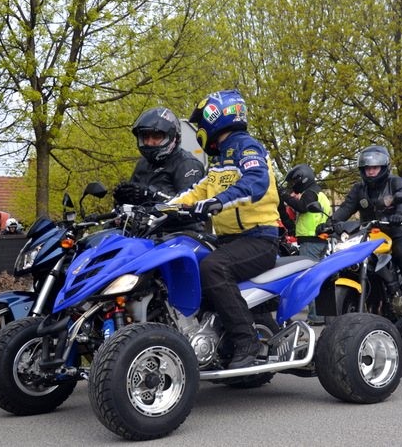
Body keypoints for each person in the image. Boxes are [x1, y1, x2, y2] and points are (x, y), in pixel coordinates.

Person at [168, 89, 281, 369]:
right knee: (187, 261)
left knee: (213, 268)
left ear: (214, 118)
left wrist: (218, 202)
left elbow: (256, 181)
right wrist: (159, 210)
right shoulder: (219, 162)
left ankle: (247, 341)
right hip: (229, 240)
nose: (198, 130)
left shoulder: (247, 147)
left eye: (200, 123)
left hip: (259, 238)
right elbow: (195, 193)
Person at [324, 145, 402, 330]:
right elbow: (346, 208)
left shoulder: (396, 183)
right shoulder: (359, 188)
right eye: (367, 168)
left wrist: (400, 215)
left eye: (375, 168)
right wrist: (330, 223)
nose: (370, 171)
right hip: (369, 236)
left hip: (396, 233)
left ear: (384, 167)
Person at [113, 106, 206, 232]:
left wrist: (150, 195)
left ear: (172, 137)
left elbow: (190, 208)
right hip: (146, 234)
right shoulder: (143, 163)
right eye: (145, 137)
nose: (149, 142)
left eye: (156, 137)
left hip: (182, 234)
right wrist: (121, 201)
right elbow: (134, 207)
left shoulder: (187, 164)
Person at [282, 163, 331, 325]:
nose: (293, 185)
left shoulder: (310, 193)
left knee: (309, 280)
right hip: (319, 240)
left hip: (311, 241)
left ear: (302, 178)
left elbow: (303, 207)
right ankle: (323, 315)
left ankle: (315, 317)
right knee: (319, 278)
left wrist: (285, 196)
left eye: (294, 181)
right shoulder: (319, 193)